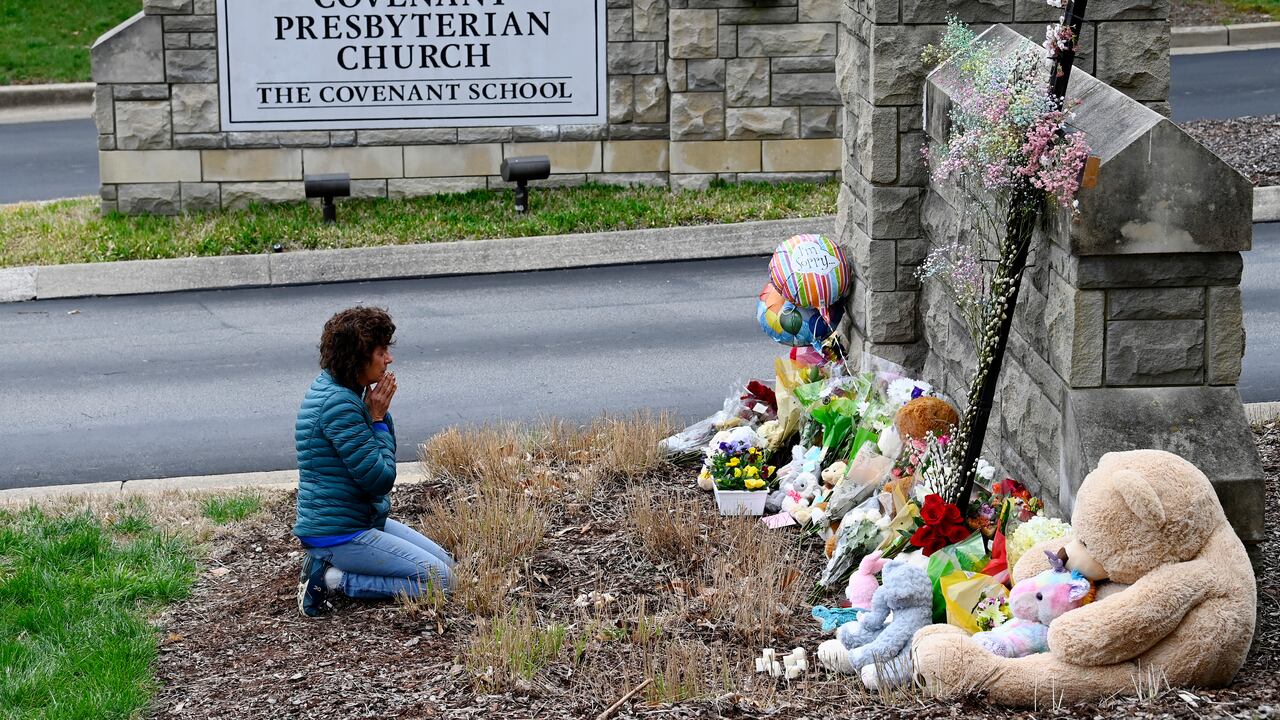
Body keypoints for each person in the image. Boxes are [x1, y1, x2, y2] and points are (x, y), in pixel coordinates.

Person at [293, 306, 454, 617]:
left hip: (357, 519)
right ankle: (331, 579)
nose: (389, 359)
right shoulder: (339, 404)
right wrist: (377, 418)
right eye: (381, 352)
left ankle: (329, 566)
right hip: (339, 533)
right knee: (444, 583)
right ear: (358, 358)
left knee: (448, 565)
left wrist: (376, 416)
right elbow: (379, 479)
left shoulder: (344, 388)